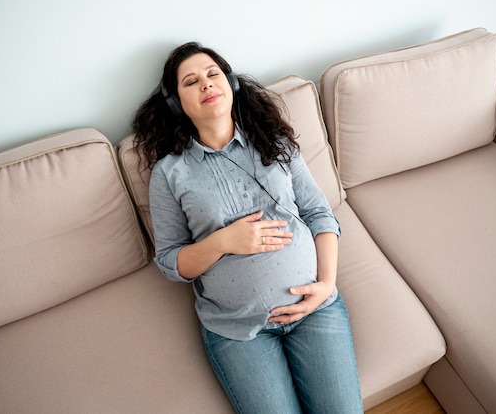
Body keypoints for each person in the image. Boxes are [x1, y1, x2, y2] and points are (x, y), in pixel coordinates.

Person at [131, 41, 363, 414]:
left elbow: (320, 213)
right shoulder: (169, 173)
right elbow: (172, 263)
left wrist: (326, 286)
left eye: (212, 74)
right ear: (175, 103)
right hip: (237, 330)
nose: (206, 84)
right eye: (191, 82)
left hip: (315, 308)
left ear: (231, 83)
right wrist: (224, 241)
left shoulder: (275, 140)